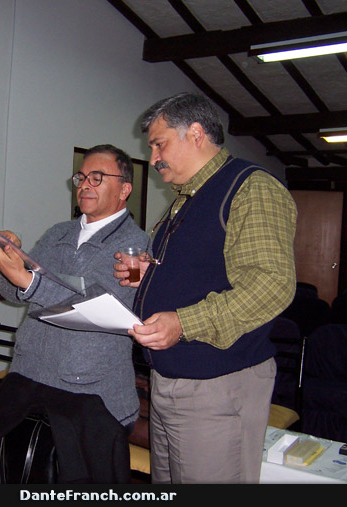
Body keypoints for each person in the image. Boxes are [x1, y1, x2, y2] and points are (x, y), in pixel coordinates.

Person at [114, 92, 297, 483]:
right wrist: (149, 273)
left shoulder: (249, 187)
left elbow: (271, 284)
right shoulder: (186, 198)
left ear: (195, 134)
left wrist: (183, 323)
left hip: (218, 385)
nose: (153, 157)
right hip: (171, 378)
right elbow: (201, 271)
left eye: (159, 144)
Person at [0, 144, 149, 483]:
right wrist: (8, 264)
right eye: (81, 177)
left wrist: (27, 279)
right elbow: (13, 294)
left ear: (124, 189)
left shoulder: (137, 247)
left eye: (97, 177)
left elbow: (102, 305)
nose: (85, 185)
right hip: (28, 377)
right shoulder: (57, 233)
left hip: (89, 394)